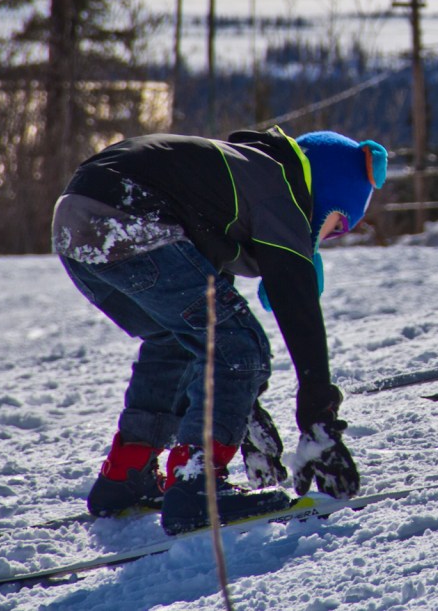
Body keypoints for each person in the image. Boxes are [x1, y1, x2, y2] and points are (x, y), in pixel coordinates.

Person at [51, 125, 386, 535]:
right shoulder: (280, 187)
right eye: (339, 224)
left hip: (75, 222)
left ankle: (126, 475)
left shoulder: (239, 178)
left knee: (177, 341)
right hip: (131, 216)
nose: (333, 236)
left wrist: (241, 408)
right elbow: (295, 303)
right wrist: (318, 417)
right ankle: (197, 484)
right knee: (240, 348)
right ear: (328, 191)